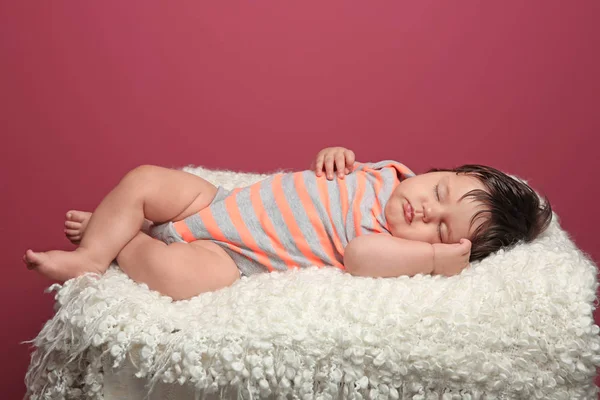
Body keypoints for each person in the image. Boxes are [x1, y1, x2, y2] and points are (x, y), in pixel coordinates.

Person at [23, 147, 552, 300]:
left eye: (440, 229)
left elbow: (360, 260)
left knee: (175, 280)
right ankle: (94, 252)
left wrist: (435, 259)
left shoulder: (386, 242)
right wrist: (335, 154)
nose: (426, 211)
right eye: (438, 192)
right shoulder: (388, 171)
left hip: (235, 255)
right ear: (437, 170)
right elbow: (330, 166)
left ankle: (124, 240)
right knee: (145, 177)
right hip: (217, 201)